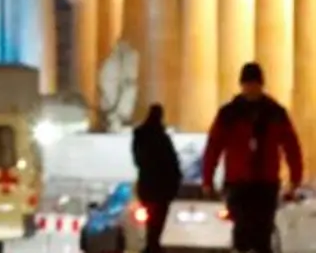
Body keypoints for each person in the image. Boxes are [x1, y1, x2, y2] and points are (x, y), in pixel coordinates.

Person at [203, 62, 305, 253]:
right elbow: (213, 147)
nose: (251, 89)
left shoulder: (275, 113)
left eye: (254, 84)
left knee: (263, 232)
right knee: (242, 230)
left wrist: (295, 177)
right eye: (247, 84)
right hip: (238, 182)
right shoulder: (229, 114)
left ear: (261, 85)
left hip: (265, 182)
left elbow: (291, 146)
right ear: (242, 85)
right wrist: (207, 178)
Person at [130, 105, 181, 253]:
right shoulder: (162, 138)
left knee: (150, 219)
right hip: (162, 188)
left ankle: (151, 244)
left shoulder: (139, 137)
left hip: (146, 186)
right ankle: (154, 244)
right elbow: (171, 163)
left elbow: (138, 160)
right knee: (158, 219)